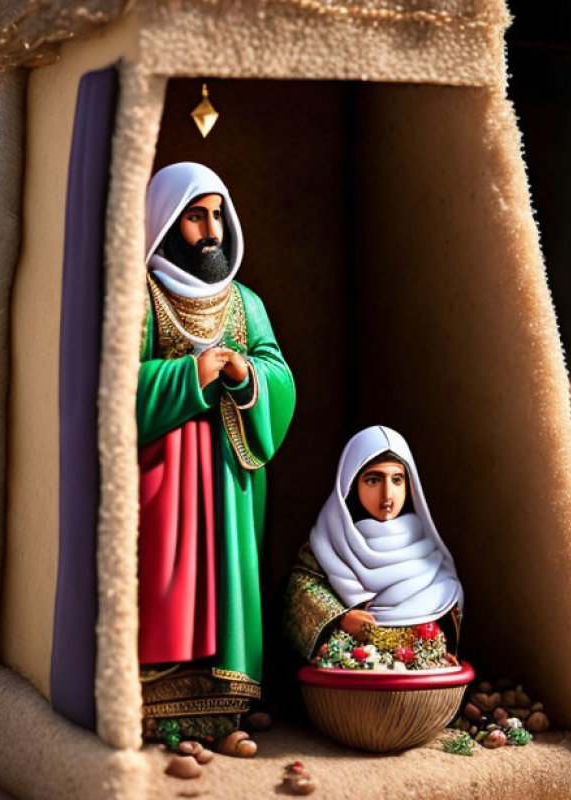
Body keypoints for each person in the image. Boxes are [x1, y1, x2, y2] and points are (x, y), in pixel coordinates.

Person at [137, 162, 295, 748]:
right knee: (168, 583)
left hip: (228, 480)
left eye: (216, 216)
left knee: (224, 576)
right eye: (196, 217)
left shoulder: (244, 302)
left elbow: (279, 375)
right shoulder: (141, 296)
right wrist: (187, 374)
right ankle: (156, 695)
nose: (211, 231)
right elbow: (110, 388)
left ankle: (225, 696)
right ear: (169, 222)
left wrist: (246, 372)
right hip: (162, 480)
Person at [284, 426, 463, 666]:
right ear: (351, 483)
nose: (387, 494)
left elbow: (446, 604)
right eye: (373, 480)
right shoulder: (329, 543)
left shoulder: (426, 548)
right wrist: (341, 619)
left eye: (397, 480)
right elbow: (299, 592)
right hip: (351, 669)